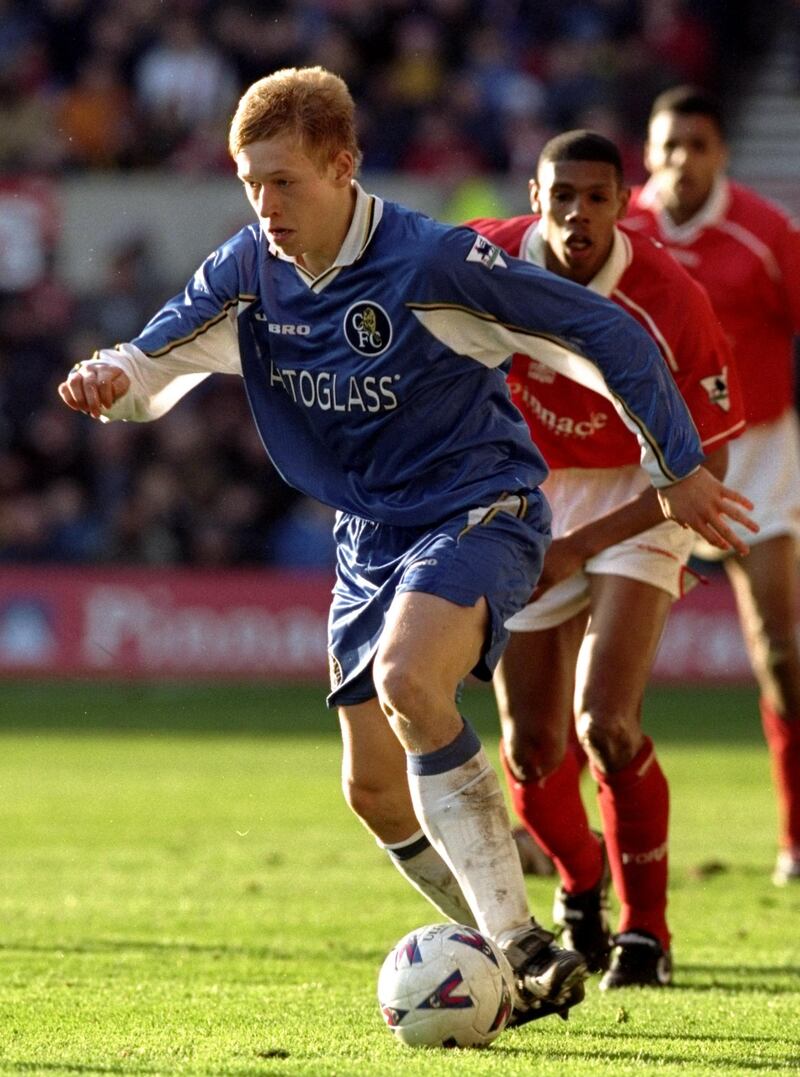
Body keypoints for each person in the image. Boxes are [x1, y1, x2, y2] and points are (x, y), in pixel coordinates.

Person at [58, 68, 754, 1022]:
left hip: (480, 504)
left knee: (411, 679)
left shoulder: (433, 264)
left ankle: (519, 946)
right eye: (248, 180)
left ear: (343, 166)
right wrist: (107, 375)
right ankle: (514, 958)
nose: (264, 204)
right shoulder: (249, 270)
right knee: (374, 791)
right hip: (367, 534)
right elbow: (153, 358)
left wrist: (675, 461)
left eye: (284, 181)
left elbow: (599, 331)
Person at [467, 130, 747, 989]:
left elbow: (708, 473)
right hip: (533, 499)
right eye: (562, 196)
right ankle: (582, 888)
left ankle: (646, 933)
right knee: (530, 751)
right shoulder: (483, 263)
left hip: (645, 494)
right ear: (534, 193)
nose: (577, 215)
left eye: (596, 198)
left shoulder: (670, 296)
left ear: (625, 203)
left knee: (607, 725)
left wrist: (578, 547)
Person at [626, 86, 800, 888]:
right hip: (653, 460)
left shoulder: (767, 235)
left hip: (759, 454)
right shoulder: (621, 226)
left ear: (722, 151)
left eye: (698, 144)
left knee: (781, 649)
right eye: (669, 145)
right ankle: (587, 861)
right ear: (650, 151)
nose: (682, 161)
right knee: (592, 662)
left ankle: (795, 836)